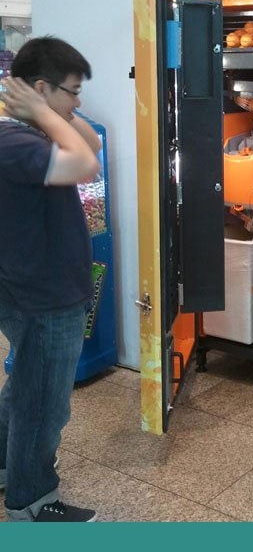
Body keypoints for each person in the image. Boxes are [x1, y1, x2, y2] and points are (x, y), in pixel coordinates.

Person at [0, 36, 101, 522]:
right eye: (72, 91)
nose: (78, 102)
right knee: (43, 407)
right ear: (41, 89)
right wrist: (43, 112)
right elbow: (87, 163)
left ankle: (8, 466)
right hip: (43, 298)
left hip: (40, 289)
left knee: (26, 390)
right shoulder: (17, 141)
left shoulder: (30, 132)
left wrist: (46, 109)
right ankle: (31, 500)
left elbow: (92, 142)